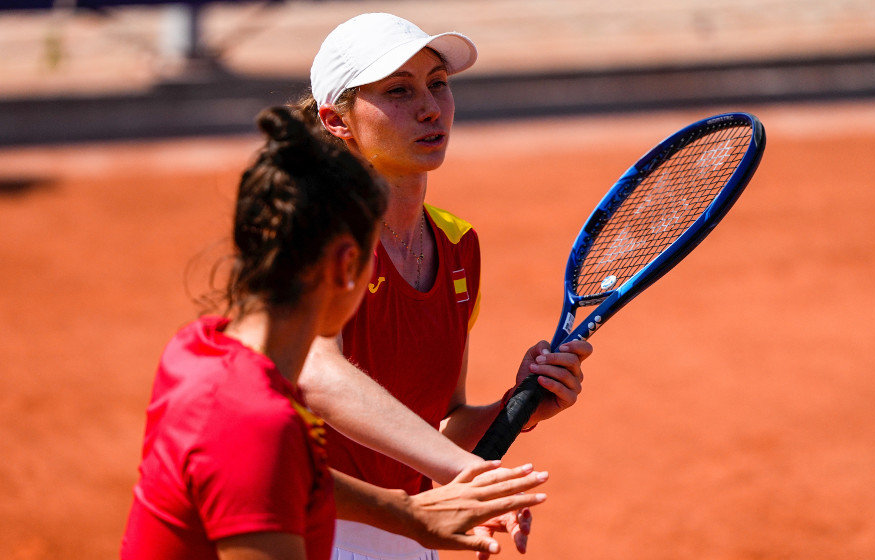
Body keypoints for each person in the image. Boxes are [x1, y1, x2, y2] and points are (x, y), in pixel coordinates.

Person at [120, 106, 551, 560]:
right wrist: (449, 486)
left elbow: (293, 473)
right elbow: (274, 447)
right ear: (349, 265)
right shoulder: (256, 424)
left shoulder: (193, 351)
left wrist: (410, 515)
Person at [294, 13, 594, 560]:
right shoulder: (320, 228)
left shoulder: (458, 245)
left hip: (410, 534)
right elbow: (317, 375)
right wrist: (465, 473)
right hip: (312, 530)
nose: (431, 107)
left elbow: (441, 422)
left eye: (438, 83)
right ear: (337, 120)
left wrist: (516, 407)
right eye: (399, 91)